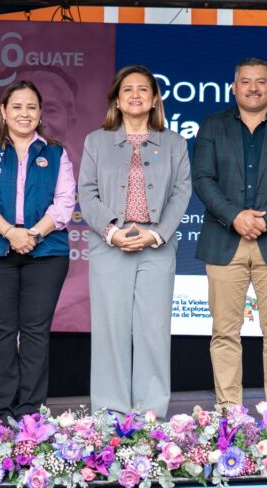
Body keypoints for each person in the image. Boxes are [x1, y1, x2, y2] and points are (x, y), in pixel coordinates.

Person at [192, 57, 267, 409]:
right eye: (246, 81)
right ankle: (228, 415)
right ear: (234, 87)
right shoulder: (213, 125)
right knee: (224, 334)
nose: (253, 87)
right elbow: (202, 179)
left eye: (261, 81)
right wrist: (235, 216)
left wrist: (265, 218)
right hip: (223, 240)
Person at [78, 65, 192, 417]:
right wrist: (112, 231)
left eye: (143, 89)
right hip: (110, 243)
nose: (136, 95)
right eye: (127, 89)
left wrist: (155, 233)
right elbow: (87, 191)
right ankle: (110, 413)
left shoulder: (174, 142)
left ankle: (150, 412)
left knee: (153, 330)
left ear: (154, 98)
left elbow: (181, 192)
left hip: (156, 244)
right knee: (111, 330)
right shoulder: (96, 141)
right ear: (117, 99)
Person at [0, 80, 75, 422]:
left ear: (40, 112)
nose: (24, 113)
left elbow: (64, 204)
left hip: (45, 253)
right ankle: (1, 411)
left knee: (34, 331)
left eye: (31, 107)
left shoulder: (56, 152)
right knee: (0, 329)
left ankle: (30, 411)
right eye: (17, 107)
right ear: (3, 111)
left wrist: (32, 235)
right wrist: (11, 233)